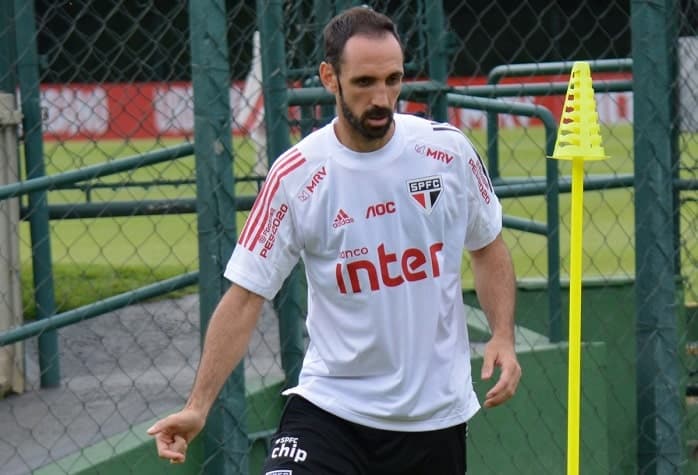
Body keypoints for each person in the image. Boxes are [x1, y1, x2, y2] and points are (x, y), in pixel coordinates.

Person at [148, 6, 521, 474]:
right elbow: (245, 297)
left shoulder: (446, 152)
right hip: (331, 410)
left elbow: (487, 246)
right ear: (330, 77)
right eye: (365, 82)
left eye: (393, 79)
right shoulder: (296, 174)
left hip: (433, 421)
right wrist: (198, 405)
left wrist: (503, 336)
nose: (382, 97)